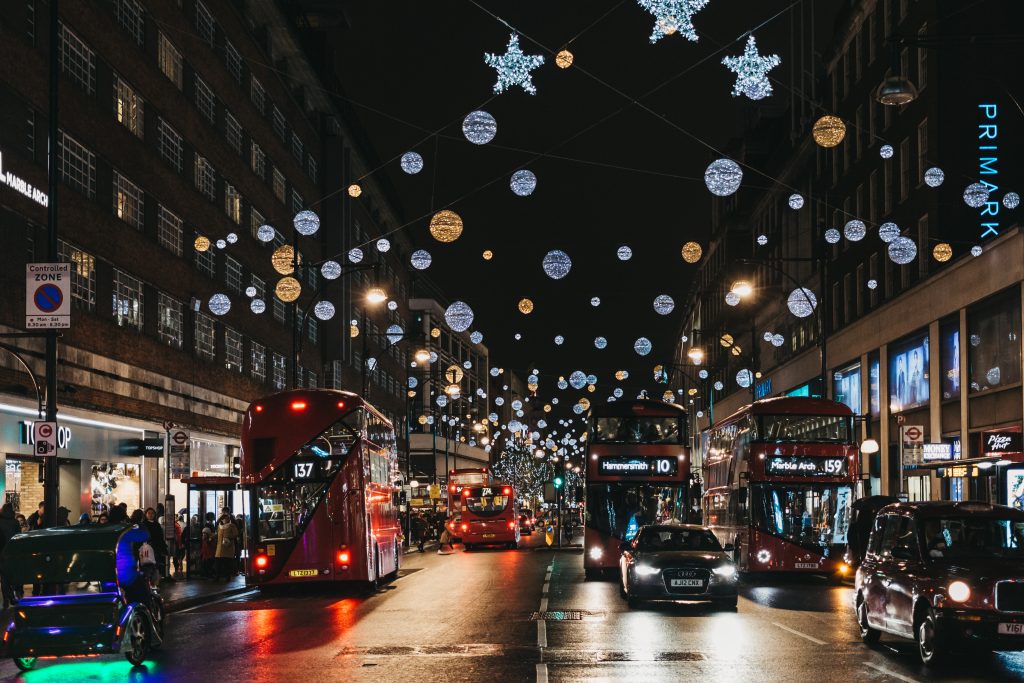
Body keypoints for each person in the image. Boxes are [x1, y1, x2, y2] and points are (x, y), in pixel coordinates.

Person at [0, 503, 21, 608]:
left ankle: (6, 599)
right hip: (13, 553)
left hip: (2, 553)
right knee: (12, 575)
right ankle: (14, 595)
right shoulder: (15, 522)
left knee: (3, 578)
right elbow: (18, 537)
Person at [142, 508, 169, 580]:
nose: (151, 515)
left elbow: (160, 536)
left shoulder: (157, 524)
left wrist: (163, 547)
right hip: (147, 548)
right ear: (146, 514)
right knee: (148, 564)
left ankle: (155, 580)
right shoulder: (144, 524)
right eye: (149, 513)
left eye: (152, 513)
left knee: (156, 564)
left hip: (157, 547)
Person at [214, 513, 238, 580]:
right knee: (218, 564)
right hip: (219, 548)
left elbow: (236, 534)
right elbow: (217, 535)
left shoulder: (232, 526)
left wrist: (228, 537)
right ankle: (217, 576)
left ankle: (227, 576)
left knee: (227, 563)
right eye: (224, 518)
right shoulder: (219, 526)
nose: (225, 520)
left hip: (228, 547)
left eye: (227, 518)